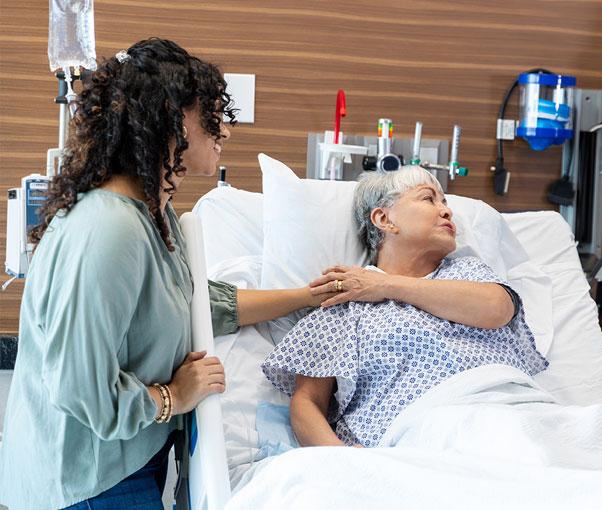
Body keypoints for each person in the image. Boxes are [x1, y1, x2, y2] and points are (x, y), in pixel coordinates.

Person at [0, 39, 337, 509]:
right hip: (83, 482)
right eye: (213, 115)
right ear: (170, 116)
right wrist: (175, 395)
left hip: (128, 459)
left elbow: (200, 303)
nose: (226, 131)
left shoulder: (155, 214)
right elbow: (81, 390)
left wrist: (307, 295)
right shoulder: (108, 229)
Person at [261, 166, 549, 447]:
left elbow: (497, 310)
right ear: (384, 219)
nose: (447, 211)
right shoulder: (345, 303)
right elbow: (307, 402)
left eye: (445, 202)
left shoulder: (467, 272)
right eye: (428, 198)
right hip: (420, 432)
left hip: (517, 410)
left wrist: (386, 286)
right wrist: (345, 462)